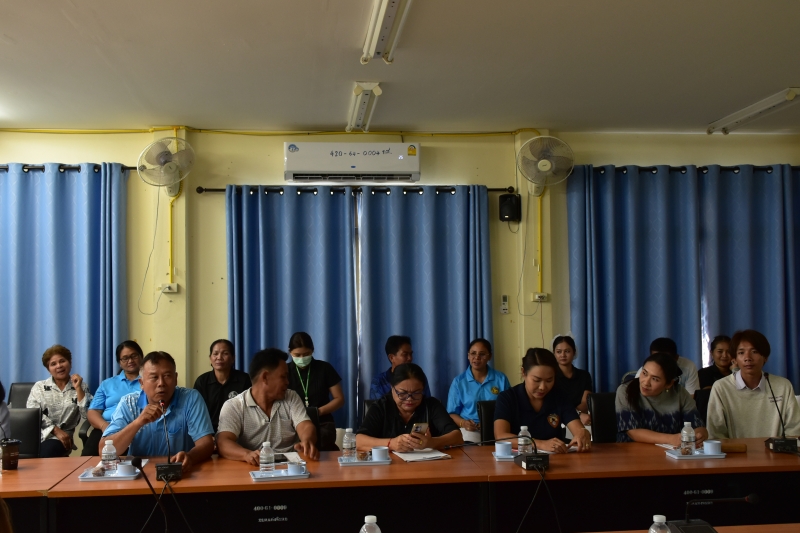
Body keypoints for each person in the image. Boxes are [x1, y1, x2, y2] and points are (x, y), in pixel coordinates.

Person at [102, 351, 214, 471]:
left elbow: (207, 444)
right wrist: (138, 423)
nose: (161, 383)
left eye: (167, 376)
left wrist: (190, 457)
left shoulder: (190, 398)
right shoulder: (129, 403)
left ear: (175, 379)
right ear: (141, 383)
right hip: (140, 473)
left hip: (180, 470)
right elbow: (103, 449)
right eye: (154, 377)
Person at [217, 348, 319, 464]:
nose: (287, 382)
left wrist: (306, 440)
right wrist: (246, 454)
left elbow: (305, 425)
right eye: (283, 377)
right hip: (253, 467)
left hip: (291, 466)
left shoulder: (291, 397)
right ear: (265, 377)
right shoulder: (234, 406)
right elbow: (223, 442)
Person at [706, 330, 800, 439]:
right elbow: (716, 435)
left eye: (754, 352)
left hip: (776, 450)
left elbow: (794, 431)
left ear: (765, 357)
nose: (748, 358)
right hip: (735, 450)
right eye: (741, 353)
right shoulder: (721, 388)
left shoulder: (783, 386)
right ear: (734, 359)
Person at [494, 348, 591, 453]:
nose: (543, 387)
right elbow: (501, 436)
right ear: (524, 373)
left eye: (549, 380)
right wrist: (540, 444)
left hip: (556, 459)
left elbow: (578, 429)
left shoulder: (559, 397)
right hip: (518, 458)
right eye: (537, 380)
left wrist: (582, 433)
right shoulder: (508, 398)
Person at [358, 363, 462, 451]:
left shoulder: (431, 405)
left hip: (426, 465)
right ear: (392, 388)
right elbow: (359, 441)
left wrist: (432, 442)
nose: (409, 399)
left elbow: (457, 437)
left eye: (416, 393)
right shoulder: (381, 407)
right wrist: (391, 443)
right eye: (403, 393)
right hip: (389, 465)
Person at [616, 352, 706, 445]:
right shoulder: (626, 390)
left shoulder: (680, 393)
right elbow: (633, 432)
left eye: (655, 379)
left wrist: (699, 435)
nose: (646, 382)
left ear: (669, 384)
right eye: (644, 373)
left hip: (671, 451)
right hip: (631, 449)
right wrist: (671, 439)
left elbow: (698, 426)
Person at [27, 345, 92, 457]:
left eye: (62, 361)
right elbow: (33, 413)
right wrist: (55, 430)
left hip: (61, 439)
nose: (59, 366)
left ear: (70, 363)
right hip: (36, 435)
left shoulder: (81, 386)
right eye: (53, 364)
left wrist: (78, 389)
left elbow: (88, 415)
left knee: (48, 451)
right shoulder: (39, 387)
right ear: (48, 369)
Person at [84, 340, 144, 456]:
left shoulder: (150, 381)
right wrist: (105, 427)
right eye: (125, 358)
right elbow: (93, 412)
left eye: (134, 356)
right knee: (88, 460)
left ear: (141, 357)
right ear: (119, 363)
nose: (130, 361)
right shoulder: (107, 384)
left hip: (138, 429)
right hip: (107, 428)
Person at [286, 332, 344, 451]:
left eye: (306, 354)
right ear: (290, 352)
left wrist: (317, 412)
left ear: (312, 351)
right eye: (297, 355)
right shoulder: (285, 371)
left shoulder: (325, 368)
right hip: (292, 424)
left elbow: (339, 399)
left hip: (323, 423)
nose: (302, 358)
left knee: (321, 446)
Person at [446, 338, 510, 441]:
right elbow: (451, 414)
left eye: (482, 354)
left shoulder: (501, 379)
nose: (477, 358)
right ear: (468, 355)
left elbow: (509, 408)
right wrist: (464, 423)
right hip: (471, 430)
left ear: (489, 356)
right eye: (473, 353)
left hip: (496, 427)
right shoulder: (459, 382)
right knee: (470, 447)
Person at [193, 339, 251, 432]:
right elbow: (196, 413)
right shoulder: (202, 381)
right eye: (215, 354)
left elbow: (250, 411)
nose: (219, 357)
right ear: (210, 358)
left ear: (233, 358)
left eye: (225, 353)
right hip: (209, 432)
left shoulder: (244, 379)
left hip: (237, 431)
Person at [369, 335, 431, 400]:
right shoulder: (379, 381)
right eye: (405, 354)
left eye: (411, 354)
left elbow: (428, 402)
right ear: (391, 358)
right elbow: (378, 405)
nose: (410, 358)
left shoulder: (419, 376)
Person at [634, 338, 700, 396]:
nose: (659, 363)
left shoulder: (688, 367)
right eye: (655, 358)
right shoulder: (643, 371)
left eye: (665, 360)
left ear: (676, 358)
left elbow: (691, 396)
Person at [552, 335, 593, 426]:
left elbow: (585, 403)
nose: (563, 355)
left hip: (582, 419)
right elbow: (554, 405)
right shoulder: (550, 377)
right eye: (559, 352)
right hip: (558, 421)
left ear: (574, 352)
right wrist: (577, 415)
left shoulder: (584, 375)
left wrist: (578, 415)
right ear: (554, 353)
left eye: (567, 351)